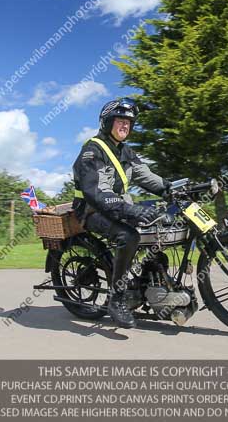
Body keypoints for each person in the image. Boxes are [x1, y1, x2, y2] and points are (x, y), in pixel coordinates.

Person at [71, 98, 170, 328]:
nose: (125, 126)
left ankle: (147, 281)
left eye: (129, 122)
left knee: (160, 226)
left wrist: (173, 189)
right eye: (120, 121)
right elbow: (96, 192)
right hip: (91, 211)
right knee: (129, 237)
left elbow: (146, 176)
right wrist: (130, 209)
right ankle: (116, 300)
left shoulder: (125, 151)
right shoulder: (92, 150)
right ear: (107, 122)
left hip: (116, 208)